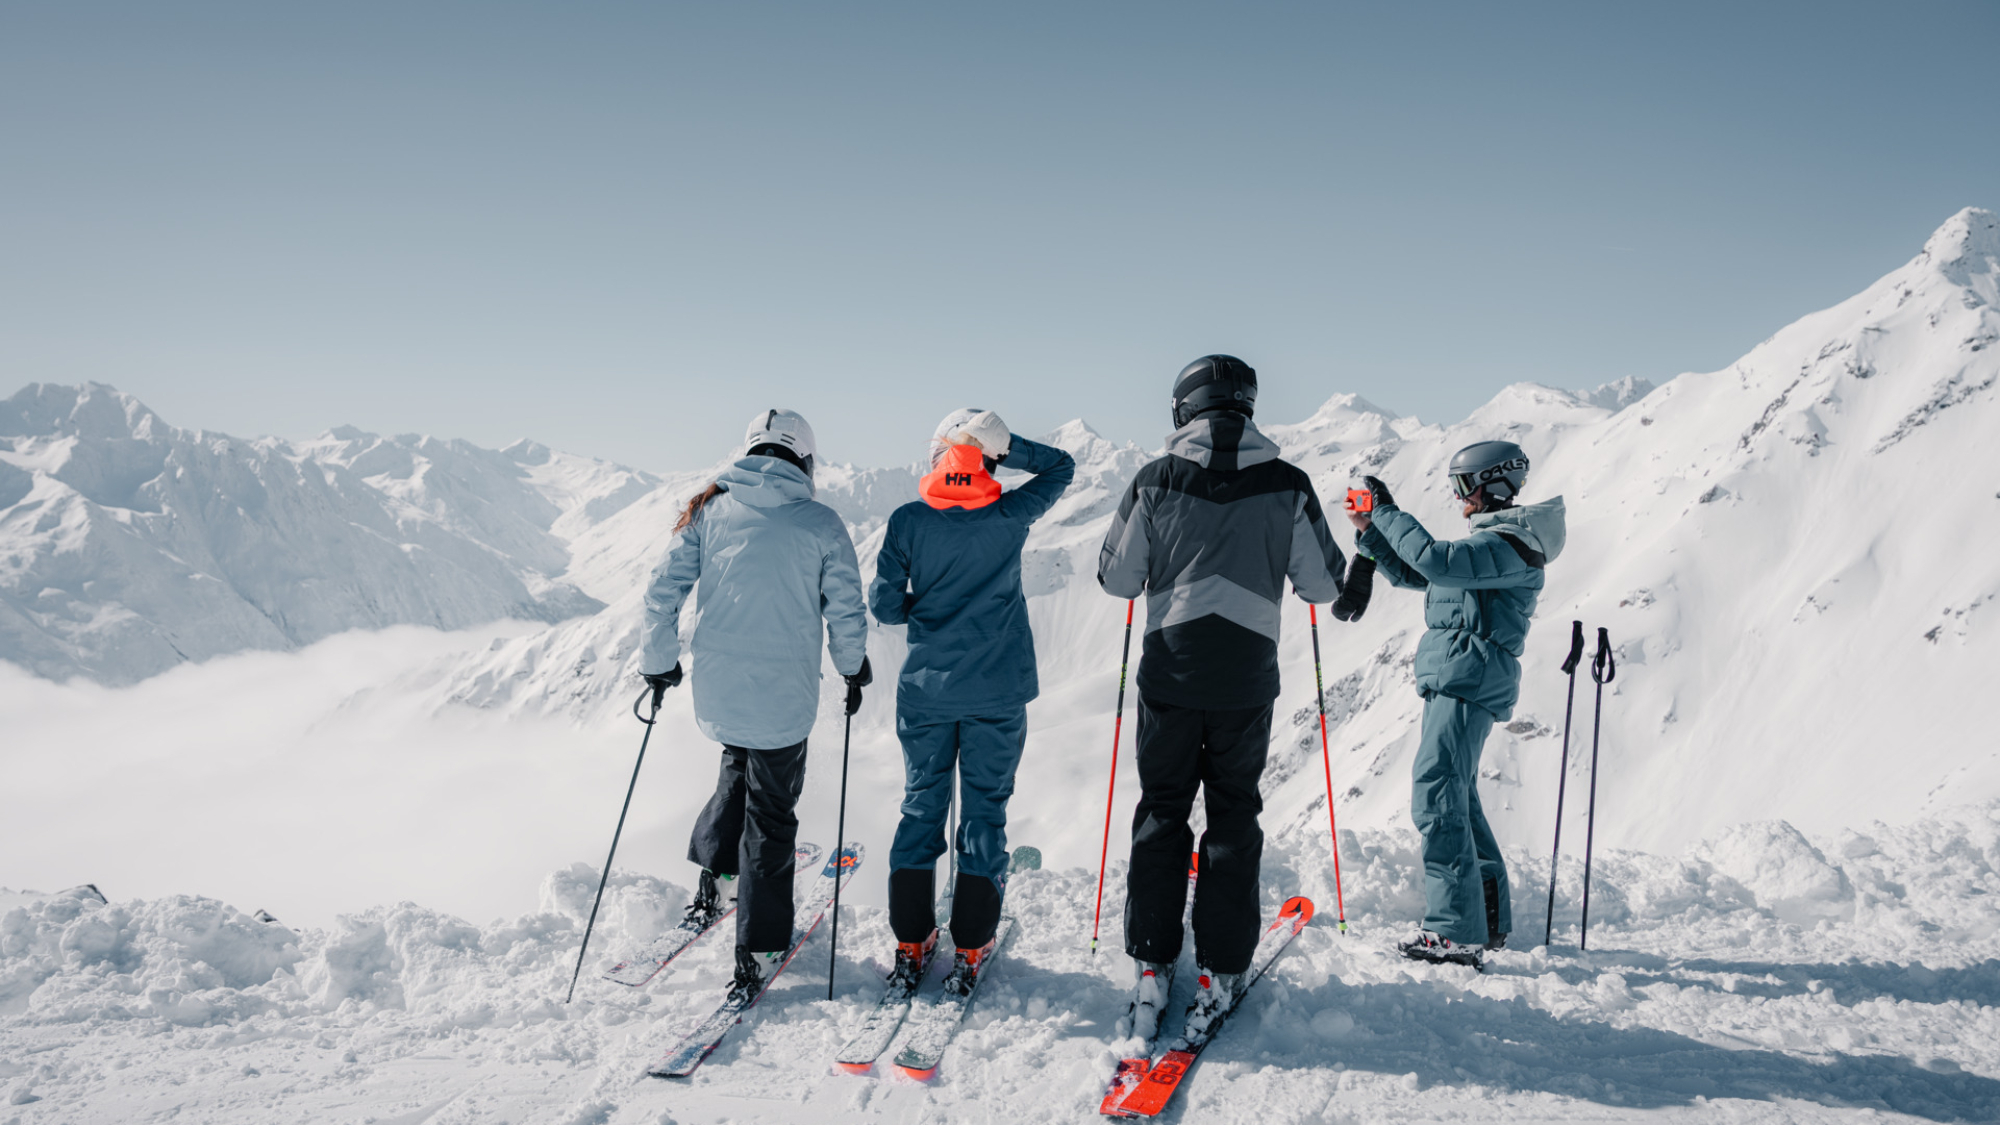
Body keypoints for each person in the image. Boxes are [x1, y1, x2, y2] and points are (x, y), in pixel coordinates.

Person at [1097, 355, 1372, 1040]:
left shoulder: (1155, 479)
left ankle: (1153, 967)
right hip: (1246, 682)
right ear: (1247, 407)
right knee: (1232, 815)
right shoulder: (1288, 484)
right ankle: (1219, 971)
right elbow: (1320, 586)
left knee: (1161, 811)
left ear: (1182, 409)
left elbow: (1117, 579)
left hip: (1170, 674)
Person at [639, 408, 872, 1002]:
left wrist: (659, 660)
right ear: (806, 460)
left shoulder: (709, 510)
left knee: (735, 763)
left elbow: (662, 591)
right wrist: (852, 667)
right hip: (783, 695)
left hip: (719, 687)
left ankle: (716, 876)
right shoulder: (819, 522)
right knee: (771, 814)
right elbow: (844, 606)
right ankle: (761, 946)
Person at [867, 408, 1075, 995]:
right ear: (986, 457)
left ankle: (911, 941)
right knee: (985, 813)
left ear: (937, 455)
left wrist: (925, 615)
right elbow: (1061, 467)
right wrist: (1007, 451)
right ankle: (971, 943)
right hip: (998, 691)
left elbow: (883, 607)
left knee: (920, 808)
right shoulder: (1009, 514)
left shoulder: (909, 520)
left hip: (928, 690)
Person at [1346, 439, 1566, 968]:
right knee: (1457, 796)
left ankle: (1454, 931)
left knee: (1436, 791)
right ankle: (1483, 921)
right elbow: (1419, 574)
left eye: (1463, 486)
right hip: (1457, 675)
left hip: (1470, 675)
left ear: (1491, 484)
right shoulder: (1492, 546)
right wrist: (1371, 534)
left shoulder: (1512, 545)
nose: (1458, 497)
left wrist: (1388, 511)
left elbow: (1435, 560)